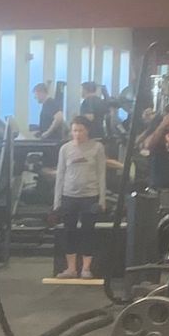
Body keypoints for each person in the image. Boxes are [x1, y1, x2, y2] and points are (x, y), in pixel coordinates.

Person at [47, 114, 107, 283]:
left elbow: (102, 174)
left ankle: (86, 268)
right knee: (69, 232)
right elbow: (60, 175)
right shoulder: (65, 149)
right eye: (74, 130)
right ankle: (71, 268)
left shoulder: (97, 147)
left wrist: (102, 199)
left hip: (90, 195)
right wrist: (57, 201)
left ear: (87, 130)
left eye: (80, 130)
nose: (77, 134)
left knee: (88, 232)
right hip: (69, 196)